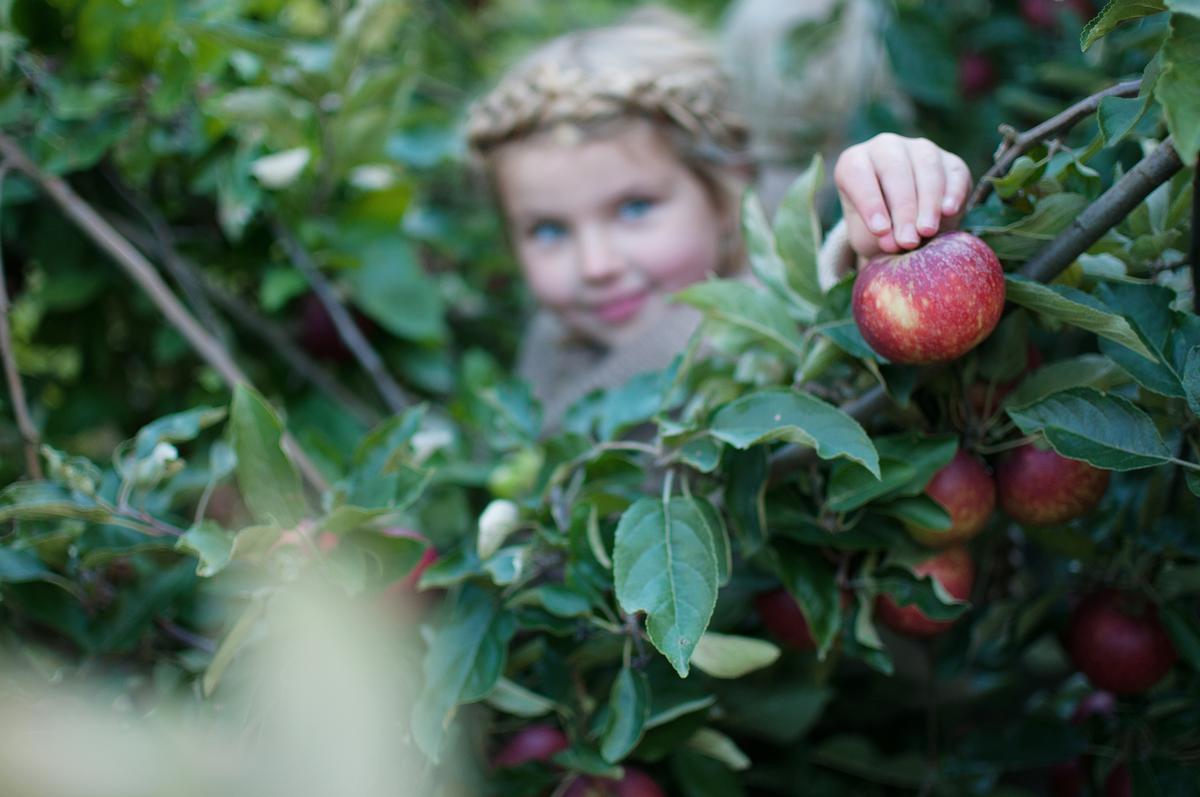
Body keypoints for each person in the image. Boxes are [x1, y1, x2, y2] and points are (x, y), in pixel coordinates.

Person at [465, 6, 971, 430]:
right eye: (548, 230)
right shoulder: (549, 353)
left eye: (635, 208)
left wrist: (887, 244)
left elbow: (827, 311)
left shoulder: (778, 323)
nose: (596, 265)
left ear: (726, 193)